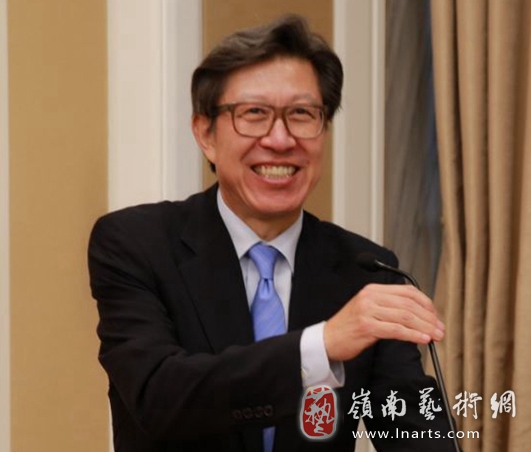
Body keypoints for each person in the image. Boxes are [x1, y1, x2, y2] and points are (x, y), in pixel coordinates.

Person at [88, 14, 456, 452]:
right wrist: (322, 345)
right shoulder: (136, 244)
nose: (280, 140)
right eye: (254, 113)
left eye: (301, 114)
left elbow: (415, 433)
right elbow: (158, 397)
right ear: (205, 133)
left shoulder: (368, 271)